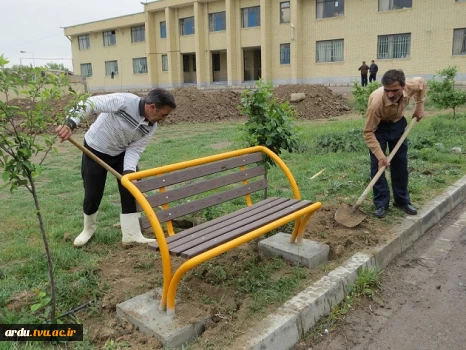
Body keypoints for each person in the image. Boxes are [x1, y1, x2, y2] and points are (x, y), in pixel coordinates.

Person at [56, 89, 176, 247]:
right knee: (93, 193)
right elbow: (89, 103)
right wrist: (70, 124)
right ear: (152, 107)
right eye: (164, 114)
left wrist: (128, 173)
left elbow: (135, 149)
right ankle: (88, 230)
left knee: (131, 190)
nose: (164, 119)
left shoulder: (150, 126)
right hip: (95, 150)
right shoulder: (124, 101)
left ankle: (131, 234)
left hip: (121, 153)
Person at [363, 69, 426, 219]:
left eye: (394, 90)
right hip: (379, 129)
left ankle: (402, 201)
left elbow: (422, 83)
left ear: (403, 87)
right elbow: (368, 132)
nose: (390, 94)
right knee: (377, 167)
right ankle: (381, 203)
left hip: (398, 125)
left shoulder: (410, 85)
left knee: (400, 164)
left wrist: (419, 107)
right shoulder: (376, 103)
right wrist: (380, 157)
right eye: (387, 90)